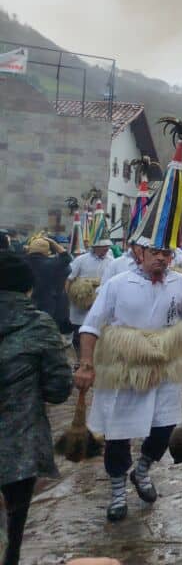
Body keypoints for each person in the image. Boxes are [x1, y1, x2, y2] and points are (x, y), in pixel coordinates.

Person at [74, 137, 182, 522]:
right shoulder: (116, 285)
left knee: (164, 429)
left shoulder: (180, 283)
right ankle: (117, 490)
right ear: (139, 251)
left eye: (168, 253)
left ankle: (144, 469)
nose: (163, 259)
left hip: (164, 368)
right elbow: (91, 324)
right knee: (118, 434)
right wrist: (85, 364)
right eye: (156, 253)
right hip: (124, 370)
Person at [0, 252, 73, 564]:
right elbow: (58, 390)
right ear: (27, 288)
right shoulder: (39, 325)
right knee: (12, 536)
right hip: (20, 449)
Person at [65, 238, 115, 353]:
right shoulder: (81, 260)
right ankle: (79, 356)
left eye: (107, 246)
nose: (107, 249)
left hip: (100, 301)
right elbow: (69, 279)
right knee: (79, 331)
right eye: (104, 246)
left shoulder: (112, 261)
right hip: (80, 301)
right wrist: (68, 297)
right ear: (95, 247)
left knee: (97, 330)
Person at [24, 235, 71, 328]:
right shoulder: (53, 264)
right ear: (47, 251)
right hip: (48, 306)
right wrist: (54, 243)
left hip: (24, 305)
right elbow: (67, 258)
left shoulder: (20, 261)